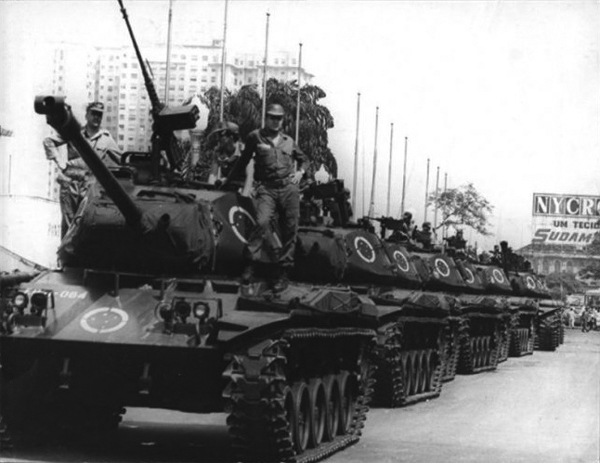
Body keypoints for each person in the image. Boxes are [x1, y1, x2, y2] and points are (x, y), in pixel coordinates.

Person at [233, 103, 308, 291]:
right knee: (261, 222)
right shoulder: (255, 137)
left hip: (289, 188)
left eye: (279, 118)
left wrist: (300, 173)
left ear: (283, 121)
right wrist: (228, 180)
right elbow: (243, 161)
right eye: (272, 117)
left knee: (291, 228)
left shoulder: (288, 141)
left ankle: (283, 272)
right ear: (266, 118)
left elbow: (305, 159)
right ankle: (250, 265)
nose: (275, 121)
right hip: (267, 188)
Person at [43, 101, 121, 238]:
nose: (96, 117)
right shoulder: (75, 133)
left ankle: (79, 258)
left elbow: (121, 159)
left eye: (99, 114)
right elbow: (49, 142)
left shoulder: (106, 139)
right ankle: (64, 259)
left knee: (85, 223)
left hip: (90, 184)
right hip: (70, 182)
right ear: (87, 115)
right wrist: (60, 162)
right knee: (68, 223)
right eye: (94, 113)